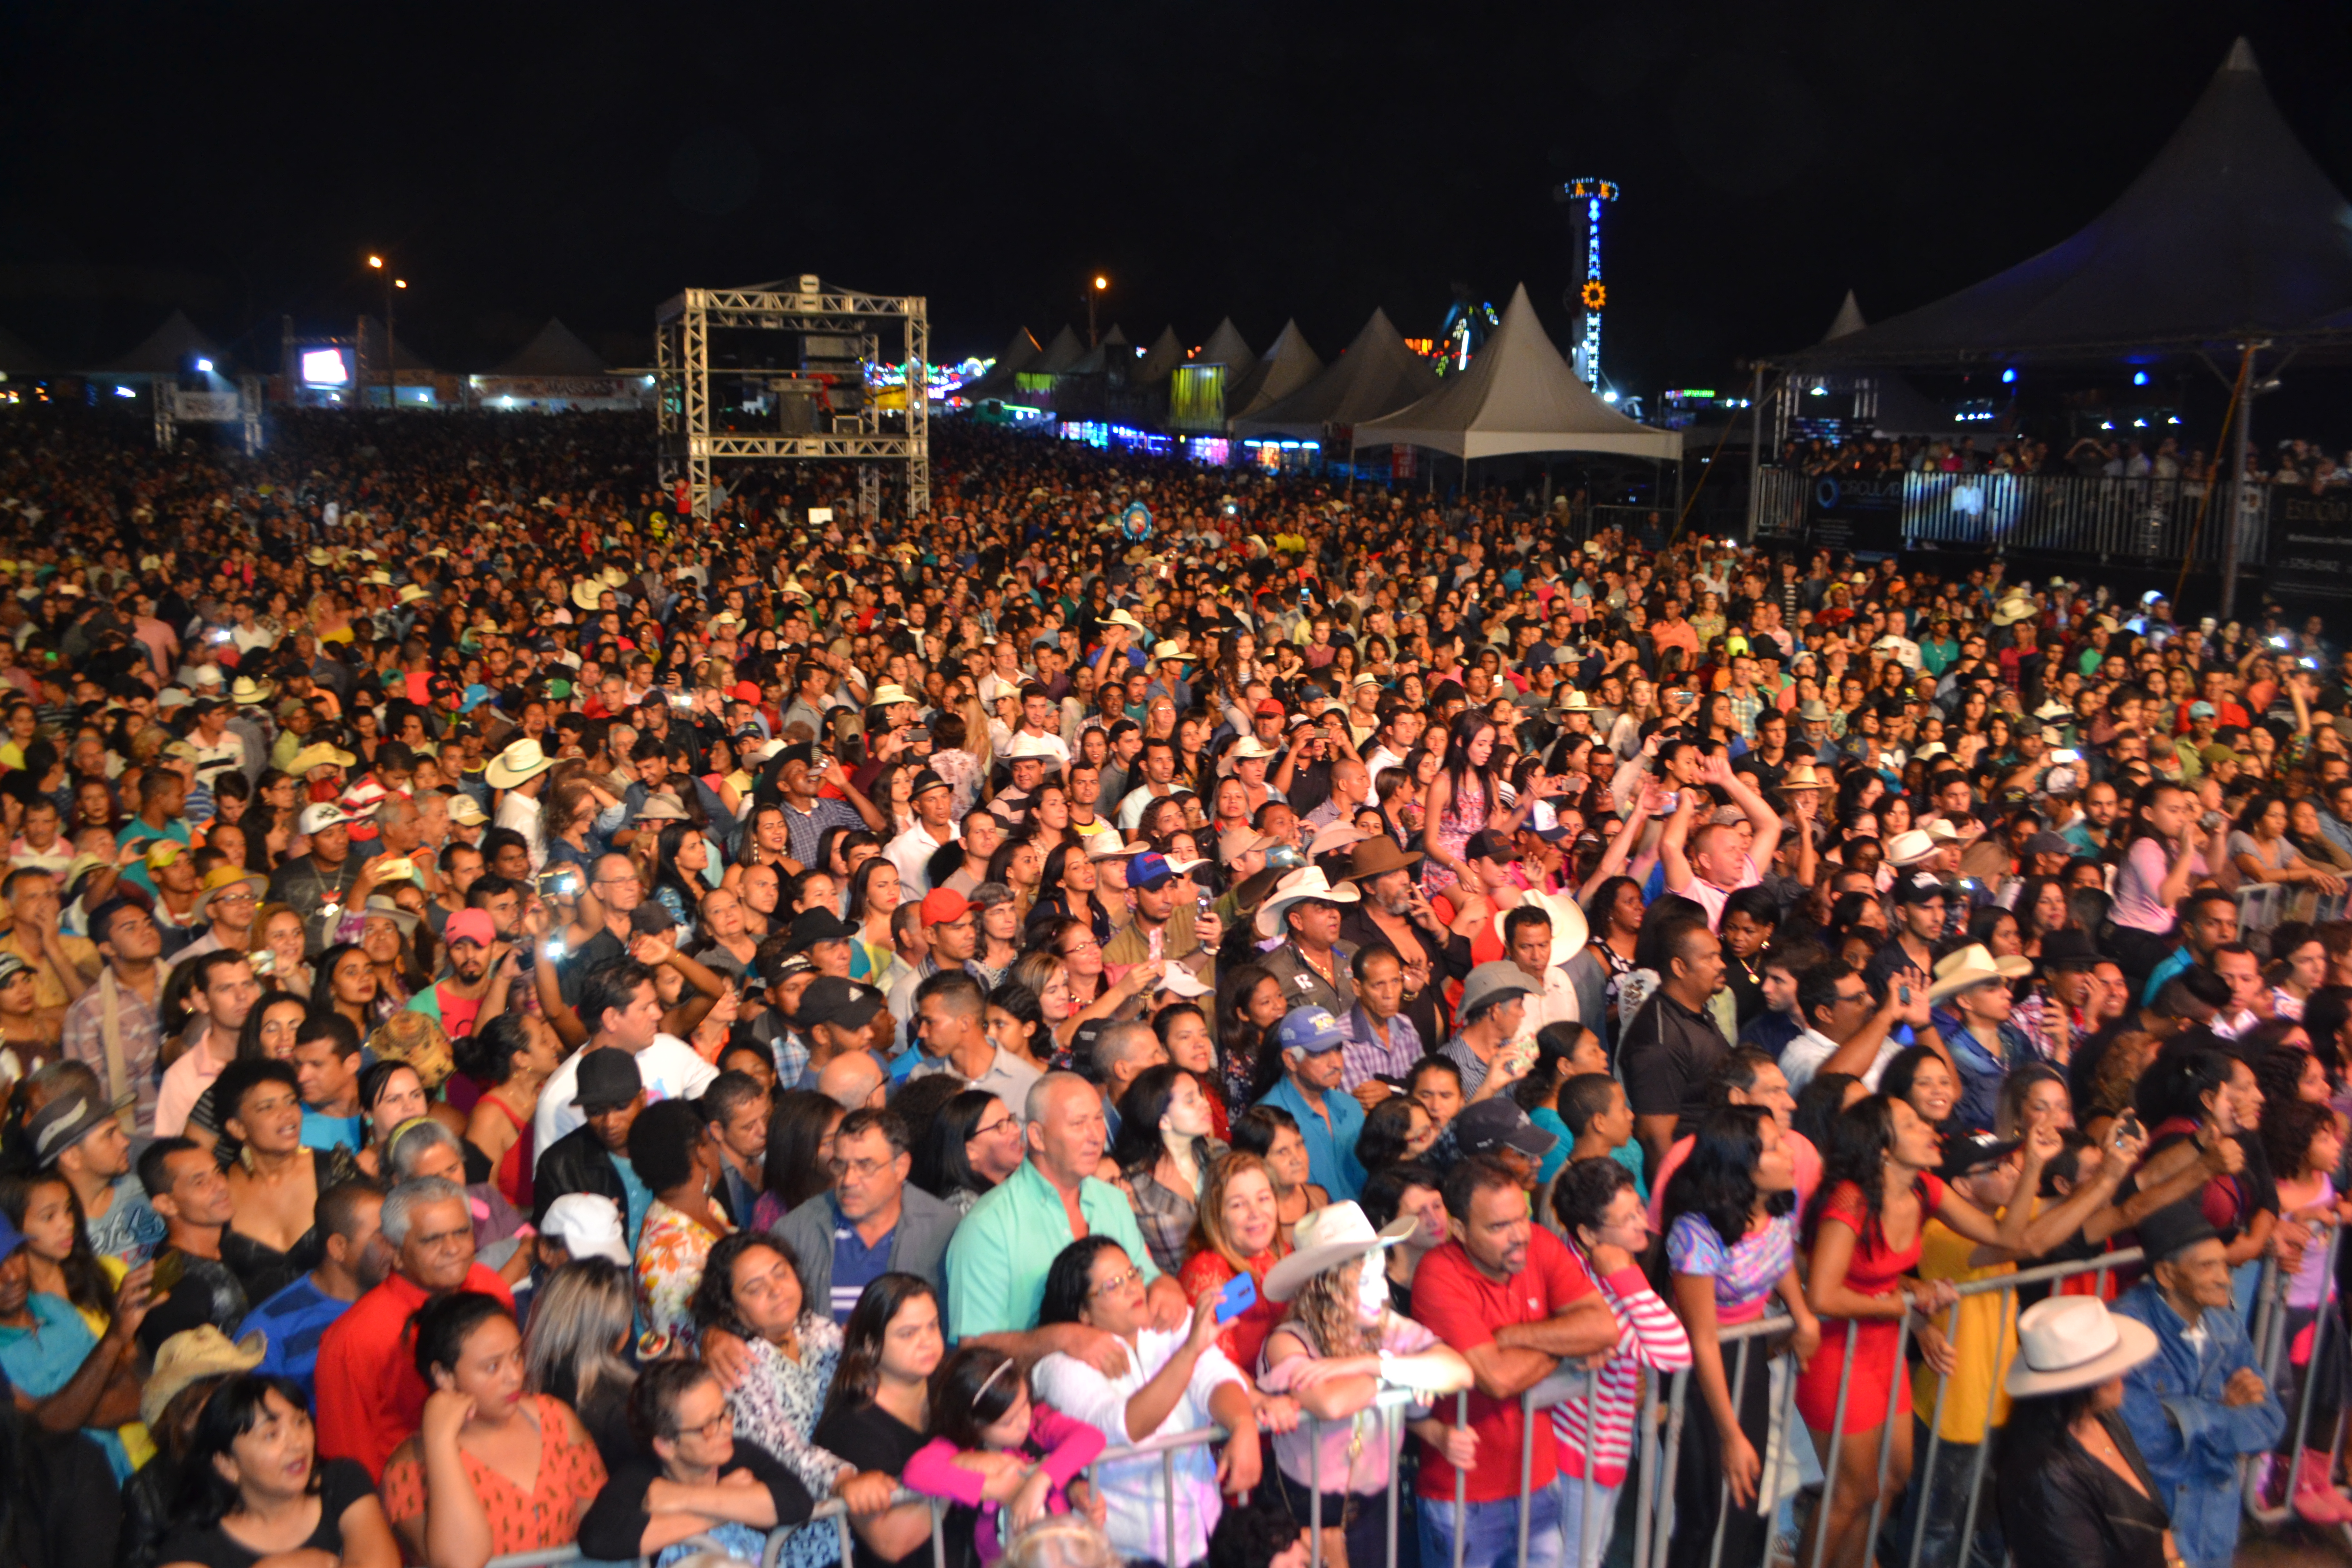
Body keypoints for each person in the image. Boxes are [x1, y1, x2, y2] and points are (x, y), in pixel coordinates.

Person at [1410, 1155, 1616, 1568]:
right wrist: (1563, 1341)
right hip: (1462, 1499)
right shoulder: (1438, 1274)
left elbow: (1604, 1328)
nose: (1519, 1235)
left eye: (1520, 1218)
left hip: (1539, 1481)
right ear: (1459, 1230)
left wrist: (1513, 1337)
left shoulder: (1541, 1242)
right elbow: (1498, 1379)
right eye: (1498, 1227)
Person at [1256, 1202, 1473, 1568]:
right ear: (1328, 1289)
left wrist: (1374, 1363)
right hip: (1304, 1507)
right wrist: (1404, 1376)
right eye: (1365, 1281)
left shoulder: (1384, 1328)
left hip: (1375, 1505)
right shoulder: (1288, 1342)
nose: (1382, 1293)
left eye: (1382, 1276)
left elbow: (1459, 1372)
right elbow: (1330, 1403)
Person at [1028, 1235, 1266, 1568]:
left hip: (1206, 1530)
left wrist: (1243, 1425)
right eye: (1113, 1285)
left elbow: (1215, 1376)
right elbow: (1120, 1426)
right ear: (1083, 1312)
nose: (1132, 1288)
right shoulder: (1060, 1367)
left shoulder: (1169, 1321)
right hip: (1128, 1552)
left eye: (1132, 1274)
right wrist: (1189, 1353)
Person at [1661, 1105, 1817, 1568]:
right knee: (1709, 1510)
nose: (1789, 1153)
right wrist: (1729, 1434)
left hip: (1746, 1356)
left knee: (1745, 1503)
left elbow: (1779, 1256)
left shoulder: (1774, 1206)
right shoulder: (1697, 1233)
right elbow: (1703, 1339)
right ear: (1741, 1164)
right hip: (1699, 1371)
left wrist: (1802, 1313)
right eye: (1772, 1147)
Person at [689, 1232, 898, 1568]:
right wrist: (843, 1480)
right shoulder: (735, 1363)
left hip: (858, 1518)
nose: (776, 1290)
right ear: (732, 1308)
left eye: (781, 1272)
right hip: (798, 1536)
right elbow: (777, 1447)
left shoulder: (820, 1331)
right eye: (754, 1288)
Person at [943, 1071, 1188, 1343]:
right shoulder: (987, 1226)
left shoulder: (1113, 1200)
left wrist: (1166, 1285)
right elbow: (974, 1346)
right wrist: (1057, 1342)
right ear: (1037, 1136)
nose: (1096, 1136)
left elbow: (1149, 1275)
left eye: (1098, 1119)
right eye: (1078, 1123)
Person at [2111, 1199, 2285, 1568]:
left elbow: (2270, 1423)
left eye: (2223, 1263)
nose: (2225, 1277)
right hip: (2155, 1531)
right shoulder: (2126, 1331)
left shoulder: (2227, 1325)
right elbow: (2146, 1446)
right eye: (2207, 1266)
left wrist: (2187, 1419)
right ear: (2167, 1275)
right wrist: (2224, 1413)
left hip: (2213, 1528)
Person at [378, 1291, 608, 1568]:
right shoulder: (409, 1467)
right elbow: (461, 1562)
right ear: (444, 1376)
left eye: (517, 1357)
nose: (514, 1376)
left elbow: (603, 1531)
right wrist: (440, 1443)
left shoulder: (556, 1420)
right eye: (493, 1367)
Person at [313, 1175, 516, 1481]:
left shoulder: (491, 1288)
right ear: (394, 1251)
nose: (453, 1249)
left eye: (462, 1232)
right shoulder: (353, 1341)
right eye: (432, 1240)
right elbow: (348, 1469)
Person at [1546, 1158, 1692, 1568]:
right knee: (1579, 1558)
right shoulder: (1586, 1281)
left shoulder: (1607, 1262)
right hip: (1578, 1444)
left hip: (1599, 1436)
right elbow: (1673, 1350)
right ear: (1589, 1234)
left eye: (1639, 1209)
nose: (1641, 1224)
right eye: (1625, 1218)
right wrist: (1625, 1278)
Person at [578, 1358, 821, 1567]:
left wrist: (683, 1499)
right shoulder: (640, 1476)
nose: (726, 1428)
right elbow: (598, 1537)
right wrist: (726, 1506)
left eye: (725, 1412)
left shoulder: (739, 1455)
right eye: (708, 1426)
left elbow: (796, 1501)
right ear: (666, 1445)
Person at [1998, 1294, 2175, 1568]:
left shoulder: (2103, 1419)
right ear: (2079, 1386)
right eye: (2110, 1367)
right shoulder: (2048, 1473)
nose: (2125, 1372)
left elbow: (2158, 1526)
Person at [153, 1373, 401, 1568]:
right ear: (227, 1464)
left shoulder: (340, 1481)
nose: (297, 1443)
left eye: (300, 1422)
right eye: (272, 1435)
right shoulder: (194, 1542)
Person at [902, 1342, 1109, 1567]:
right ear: (973, 1424)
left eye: (1024, 1405)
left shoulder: (1038, 1422)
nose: (1023, 1421)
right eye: (1008, 1422)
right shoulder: (957, 1447)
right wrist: (995, 1488)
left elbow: (1092, 1437)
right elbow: (917, 1471)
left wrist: (1040, 1482)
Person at [810, 1273, 955, 1568]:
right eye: (909, 1334)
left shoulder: (953, 1386)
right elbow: (890, 1541)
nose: (927, 1341)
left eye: (932, 1326)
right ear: (870, 1343)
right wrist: (962, 1475)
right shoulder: (851, 1428)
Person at [772, 1106, 959, 1324]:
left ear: (901, 1167)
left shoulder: (944, 1230)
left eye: (865, 1165)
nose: (848, 1180)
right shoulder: (795, 1231)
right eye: (840, 1165)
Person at [239, 1180, 391, 1406]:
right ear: (338, 1247)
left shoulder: (403, 1299)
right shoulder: (269, 1328)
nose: (395, 1247)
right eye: (381, 1237)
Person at [629, 1098, 733, 1355]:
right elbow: (679, 1360)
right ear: (699, 1151)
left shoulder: (709, 1207)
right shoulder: (665, 1261)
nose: (717, 1148)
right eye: (711, 1140)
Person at [1253, 1005, 1367, 1202]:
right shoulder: (1266, 1123)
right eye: (1320, 1053)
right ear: (1290, 1059)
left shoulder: (1351, 1107)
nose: (1336, 1063)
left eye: (1338, 1049)